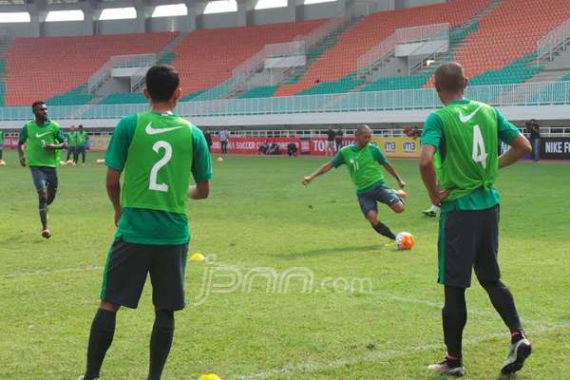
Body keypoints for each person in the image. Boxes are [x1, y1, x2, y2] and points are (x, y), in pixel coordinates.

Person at [80, 65, 212, 380]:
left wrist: (118, 209)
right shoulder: (193, 134)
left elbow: (112, 181)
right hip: (173, 232)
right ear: (179, 93)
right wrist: (184, 192)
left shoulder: (129, 125)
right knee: (165, 309)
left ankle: (90, 376)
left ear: (146, 93)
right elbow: (203, 191)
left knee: (110, 303)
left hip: (134, 228)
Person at [419, 62, 532, 377]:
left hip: (459, 211)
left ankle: (453, 360)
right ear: (466, 83)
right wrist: (493, 167)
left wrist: (433, 195)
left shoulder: (438, 117)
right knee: (490, 278)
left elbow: (425, 161)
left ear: (436, 87)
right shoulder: (489, 111)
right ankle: (517, 335)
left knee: (454, 287)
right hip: (489, 206)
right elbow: (523, 146)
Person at [303, 124, 406, 241]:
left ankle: (398, 194)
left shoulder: (373, 149)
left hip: (378, 186)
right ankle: (395, 238)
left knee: (399, 209)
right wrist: (311, 177)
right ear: (356, 136)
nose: (368, 140)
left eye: (369, 137)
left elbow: (386, 164)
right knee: (372, 218)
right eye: (365, 137)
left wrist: (399, 179)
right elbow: (328, 166)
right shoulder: (345, 152)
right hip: (363, 192)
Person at [18, 101, 66, 238]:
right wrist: (21, 155)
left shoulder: (54, 126)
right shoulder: (28, 127)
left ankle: (44, 207)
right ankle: (45, 228)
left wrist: (54, 146)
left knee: (50, 197)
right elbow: (20, 143)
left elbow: (65, 143)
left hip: (51, 165)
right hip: (35, 165)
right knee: (42, 194)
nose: (45, 112)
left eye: (46, 109)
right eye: (41, 110)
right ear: (35, 112)